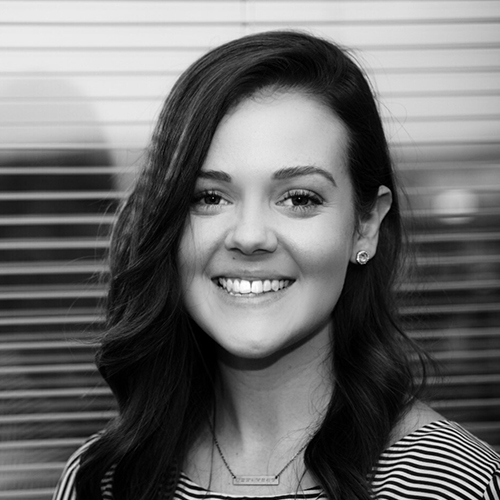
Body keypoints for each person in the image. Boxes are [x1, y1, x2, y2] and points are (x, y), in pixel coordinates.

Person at [53, 31, 500, 500]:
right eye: (210, 197)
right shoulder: (102, 478)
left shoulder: (452, 484)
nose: (249, 236)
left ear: (366, 225)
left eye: (299, 198)